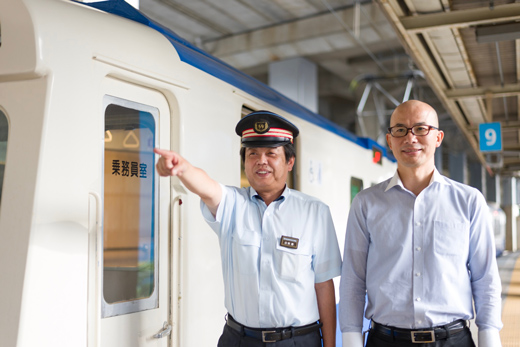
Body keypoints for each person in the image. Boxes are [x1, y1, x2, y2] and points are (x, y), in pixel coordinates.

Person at [155, 110, 342, 347]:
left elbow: (323, 285)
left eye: (271, 154)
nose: (261, 161)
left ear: (290, 162)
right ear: (245, 161)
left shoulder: (315, 212)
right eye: (253, 154)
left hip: (297, 341)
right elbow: (207, 187)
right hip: (240, 339)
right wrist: (182, 169)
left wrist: (331, 345)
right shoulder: (233, 204)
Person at [339, 100, 503, 347]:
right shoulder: (366, 203)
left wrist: (489, 339)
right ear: (390, 140)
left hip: (453, 340)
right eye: (400, 130)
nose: (410, 138)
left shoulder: (469, 201)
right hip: (385, 340)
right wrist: (351, 340)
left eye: (421, 129)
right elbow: (353, 279)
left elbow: (485, 278)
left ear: (438, 137)